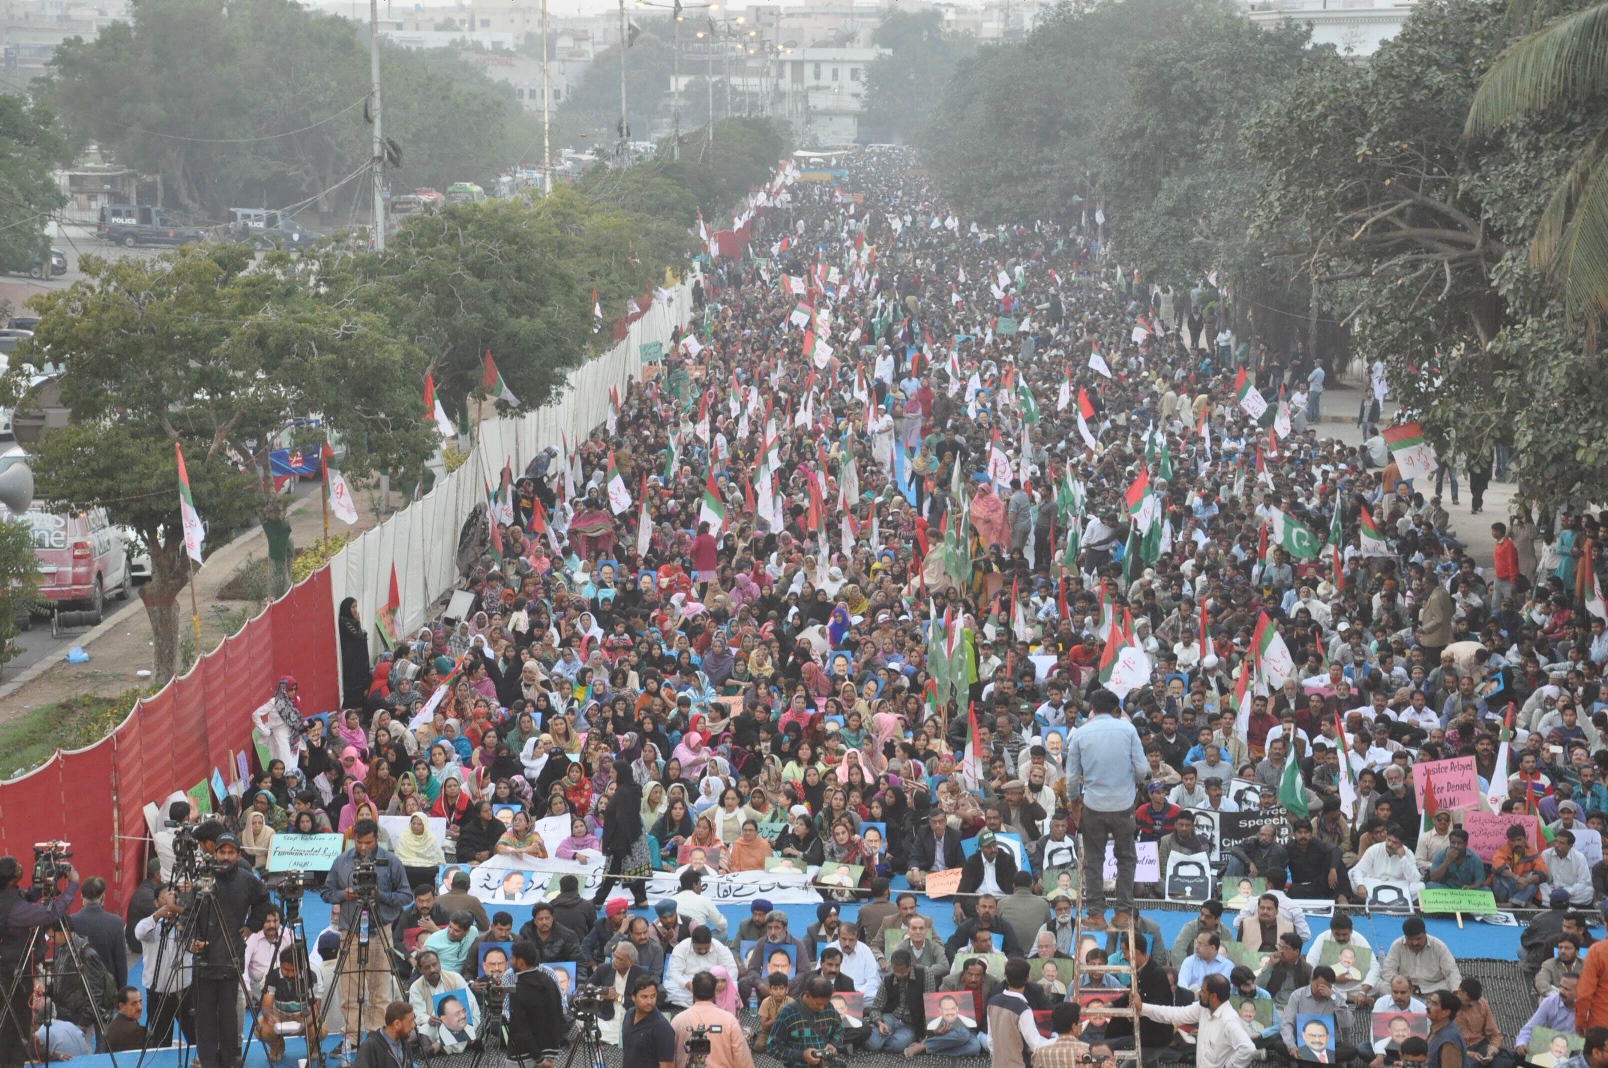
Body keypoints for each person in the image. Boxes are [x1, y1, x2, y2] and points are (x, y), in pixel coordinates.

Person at [320, 819, 413, 1053]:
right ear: (353, 839)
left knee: (380, 988)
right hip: (350, 930)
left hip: (381, 928)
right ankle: (351, 1038)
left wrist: (380, 895)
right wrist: (344, 894)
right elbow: (326, 892)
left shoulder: (390, 861)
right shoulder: (341, 861)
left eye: (369, 842)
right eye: (359, 842)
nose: (364, 847)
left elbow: (405, 895)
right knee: (350, 988)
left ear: (377, 838)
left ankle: (375, 1040)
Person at [1064, 688, 1148, 928]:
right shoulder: (1128, 729)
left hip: (1094, 805)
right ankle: (1122, 914)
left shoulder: (1080, 733)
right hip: (1123, 804)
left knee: (1093, 860)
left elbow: (1071, 779)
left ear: (1092, 709)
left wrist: (1074, 800)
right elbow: (1142, 770)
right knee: (1126, 858)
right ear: (1116, 710)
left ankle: (1096, 915)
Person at [190, 833, 271, 1068]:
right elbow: (189, 912)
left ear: (238, 854)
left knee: (228, 1016)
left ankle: (230, 1060)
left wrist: (251, 927)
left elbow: (264, 903)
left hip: (231, 959)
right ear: (215, 853)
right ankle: (207, 1061)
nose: (225, 857)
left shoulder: (248, 880)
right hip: (203, 960)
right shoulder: (202, 879)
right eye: (221, 852)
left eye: (230, 852)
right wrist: (193, 939)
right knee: (204, 1017)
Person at [0, 854, 80, 1068]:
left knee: (14, 1026)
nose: (21, 866)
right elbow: (51, 913)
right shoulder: (14, 910)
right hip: (12, 975)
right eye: (17, 866)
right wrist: (73, 885)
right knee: (13, 1027)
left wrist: (41, 885)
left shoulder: (8, 897)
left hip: (12, 970)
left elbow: (24, 897)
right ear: (9, 877)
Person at [1138, 973, 1255, 1068]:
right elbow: (1174, 1014)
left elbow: (1248, 1048)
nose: (1199, 993)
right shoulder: (1202, 1008)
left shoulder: (1228, 1020)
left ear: (1213, 996)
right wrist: (1142, 1008)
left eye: (1203, 991)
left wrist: (1229, 1066)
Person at [671, 971, 753, 1068]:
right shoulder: (729, 1020)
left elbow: (669, 1058)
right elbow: (742, 1060)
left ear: (693, 990)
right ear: (714, 990)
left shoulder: (678, 1021)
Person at [506, 940, 566, 1067]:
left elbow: (520, 1029)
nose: (510, 962)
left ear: (520, 962)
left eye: (512, 958)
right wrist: (549, 1056)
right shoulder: (549, 980)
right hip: (549, 1051)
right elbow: (559, 1014)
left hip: (523, 1056)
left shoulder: (518, 989)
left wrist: (539, 1059)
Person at [769, 975, 845, 1068]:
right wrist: (801, 1055)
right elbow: (772, 1048)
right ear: (807, 995)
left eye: (824, 1004)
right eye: (818, 1003)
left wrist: (833, 1044)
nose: (822, 1008)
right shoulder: (787, 1014)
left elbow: (839, 1030)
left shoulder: (829, 1007)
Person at [987, 958, 1050, 1068]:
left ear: (1005, 976)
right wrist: (1060, 1040)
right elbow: (1036, 1044)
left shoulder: (992, 1002)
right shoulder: (1023, 1010)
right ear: (1027, 978)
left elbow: (991, 1040)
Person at [1381, 918, 1461, 996]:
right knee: (1384, 986)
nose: (1415, 943)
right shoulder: (1397, 945)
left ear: (1425, 933)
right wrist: (1401, 986)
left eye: (1418, 938)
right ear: (1405, 936)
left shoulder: (1438, 946)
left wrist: (1456, 993)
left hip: (1433, 989)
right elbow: (1388, 970)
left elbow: (1451, 971)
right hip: (1404, 990)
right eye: (1410, 939)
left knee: (1449, 986)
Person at [623, 976, 676, 1068]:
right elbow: (626, 1051)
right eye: (644, 997)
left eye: (653, 996)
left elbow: (667, 1065)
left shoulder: (662, 1027)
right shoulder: (628, 1014)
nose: (649, 1002)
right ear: (633, 997)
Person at [351, 1001, 417, 1068]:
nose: (413, 1025)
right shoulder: (371, 1046)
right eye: (410, 1021)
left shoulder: (405, 1044)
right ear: (397, 1024)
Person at [106, 987, 146, 1052]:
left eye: (140, 1002)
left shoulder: (113, 1024)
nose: (140, 1007)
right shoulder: (134, 1030)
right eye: (134, 1004)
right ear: (122, 1006)